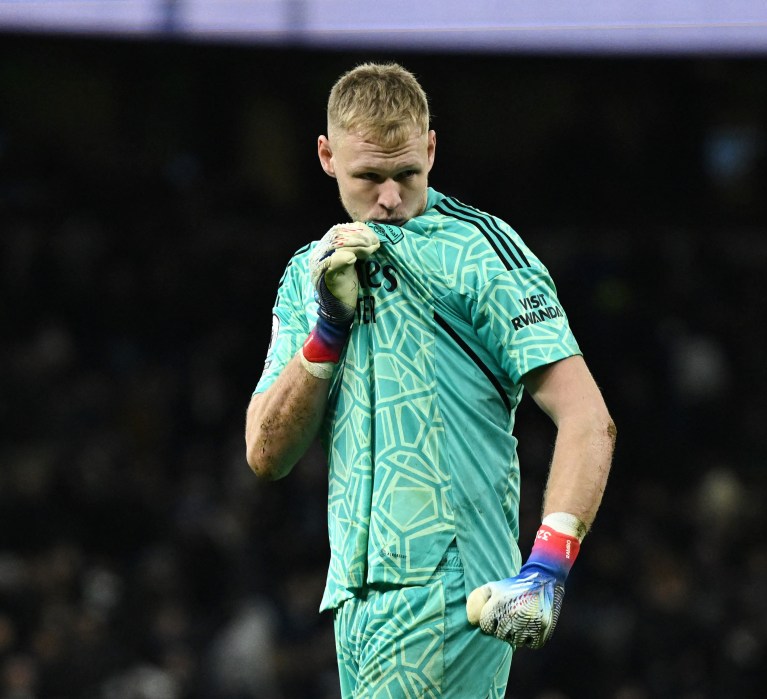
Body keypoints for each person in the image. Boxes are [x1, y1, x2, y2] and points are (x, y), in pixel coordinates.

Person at [245, 62, 616, 698]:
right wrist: (325, 332)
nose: (389, 198)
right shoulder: (309, 271)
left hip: (447, 591)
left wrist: (547, 567)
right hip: (353, 602)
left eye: (407, 175)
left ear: (433, 150)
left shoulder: (482, 253)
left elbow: (588, 417)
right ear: (327, 157)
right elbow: (266, 453)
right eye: (368, 177)